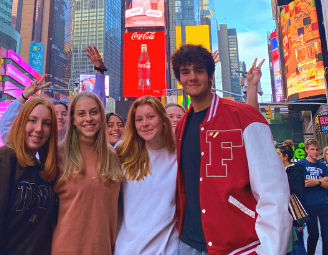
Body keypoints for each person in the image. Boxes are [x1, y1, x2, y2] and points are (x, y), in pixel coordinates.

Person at [171, 44, 291, 254]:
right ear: (178, 79)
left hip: (239, 246)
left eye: (199, 71)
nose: (192, 77)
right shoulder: (181, 126)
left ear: (210, 75)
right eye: (185, 72)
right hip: (187, 244)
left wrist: (270, 250)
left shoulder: (244, 116)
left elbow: (273, 191)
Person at [0, 97, 59, 255]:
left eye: (46, 123)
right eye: (32, 120)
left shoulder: (45, 170)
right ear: (22, 122)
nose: (39, 129)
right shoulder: (3, 159)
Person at [51, 92, 122, 255]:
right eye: (81, 114)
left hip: (105, 249)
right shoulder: (58, 154)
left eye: (94, 112)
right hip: (66, 248)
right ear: (74, 120)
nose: (88, 118)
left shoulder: (113, 156)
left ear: (102, 117)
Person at [115, 96, 178, 254]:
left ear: (163, 120)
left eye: (151, 117)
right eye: (139, 119)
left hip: (167, 249)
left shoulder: (179, 154)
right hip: (127, 249)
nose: (145, 124)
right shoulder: (122, 152)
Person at [297, 138, 328, 255]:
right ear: (306, 150)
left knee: (326, 234)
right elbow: (302, 183)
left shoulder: (323, 165)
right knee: (313, 234)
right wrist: (322, 180)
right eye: (312, 149)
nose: (315, 152)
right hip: (309, 203)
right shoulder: (301, 164)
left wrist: (316, 182)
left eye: (317, 149)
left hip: (324, 202)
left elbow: (327, 183)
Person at [277, 140, 307, 255]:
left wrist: (299, 221)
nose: (276, 156)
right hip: (283, 215)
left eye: (278, 154)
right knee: (288, 247)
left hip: (295, 215)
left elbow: (299, 194)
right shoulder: (279, 171)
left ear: (285, 157)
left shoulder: (295, 171)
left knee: (297, 246)